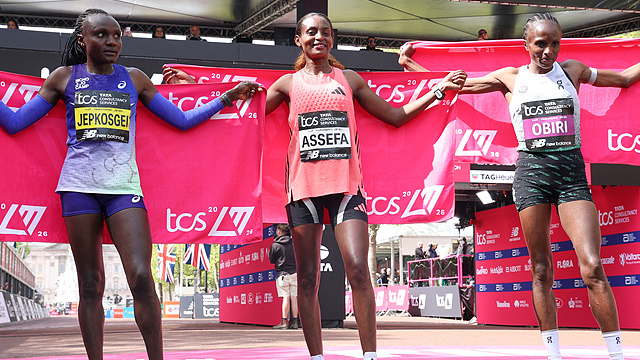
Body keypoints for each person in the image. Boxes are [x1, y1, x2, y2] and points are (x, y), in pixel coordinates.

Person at [165, 12, 465, 360]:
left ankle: (370, 355)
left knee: (357, 268)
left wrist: (438, 91)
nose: (318, 37)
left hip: (347, 190)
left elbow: (395, 117)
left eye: (325, 32)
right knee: (307, 280)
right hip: (302, 192)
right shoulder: (286, 85)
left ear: (332, 39)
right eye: (311, 32)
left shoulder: (348, 80)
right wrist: (193, 84)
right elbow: (244, 114)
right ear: (299, 39)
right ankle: (316, 356)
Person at [0, 9, 260, 360]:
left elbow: (181, 121)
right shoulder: (64, 79)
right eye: (102, 35)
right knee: (91, 285)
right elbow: (16, 123)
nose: (112, 42)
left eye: (117, 36)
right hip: (78, 188)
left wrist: (227, 98)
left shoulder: (134, 79)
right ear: (83, 40)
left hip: (124, 187)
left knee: (140, 276)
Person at [399, 12, 640, 360]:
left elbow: (625, 79)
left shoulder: (573, 70)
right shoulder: (509, 78)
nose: (548, 51)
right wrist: (412, 65)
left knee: (592, 266)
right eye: (541, 44)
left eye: (555, 43)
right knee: (541, 267)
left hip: (571, 173)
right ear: (525, 44)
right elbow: (456, 86)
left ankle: (616, 353)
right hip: (531, 174)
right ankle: (552, 353)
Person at [269, 223, 300, 330]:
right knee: (294, 297)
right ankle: (295, 322)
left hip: (282, 274)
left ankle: (284, 322)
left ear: (279, 231)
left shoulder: (275, 245)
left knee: (285, 297)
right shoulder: (295, 243)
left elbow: (271, 259)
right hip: (295, 273)